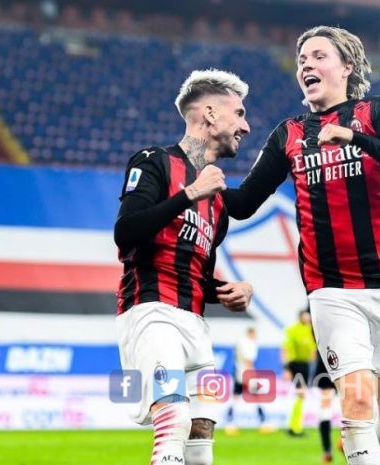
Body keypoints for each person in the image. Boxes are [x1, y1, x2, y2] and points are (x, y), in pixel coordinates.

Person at [223, 25, 380, 465]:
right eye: (301, 60)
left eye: (318, 56)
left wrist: (355, 138)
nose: (306, 65)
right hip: (330, 288)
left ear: (346, 66)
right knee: (356, 398)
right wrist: (199, 183)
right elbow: (243, 204)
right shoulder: (289, 134)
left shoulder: (378, 112)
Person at [114, 68, 254, 465]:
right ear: (209, 113)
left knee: (202, 433)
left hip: (195, 324)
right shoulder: (154, 162)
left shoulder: (219, 202)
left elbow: (198, 275)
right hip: (151, 313)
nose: (245, 126)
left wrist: (229, 290)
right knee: (173, 417)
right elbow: (126, 232)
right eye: (239, 113)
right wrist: (189, 194)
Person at [224, 326, 271, 435]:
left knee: (236, 396)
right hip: (246, 373)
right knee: (256, 396)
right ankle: (263, 421)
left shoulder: (240, 342)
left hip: (238, 372)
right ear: (251, 334)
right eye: (255, 335)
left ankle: (230, 420)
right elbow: (248, 360)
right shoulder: (249, 344)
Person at [282, 309, 317, 437]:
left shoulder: (310, 330)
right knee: (301, 393)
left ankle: (294, 426)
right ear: (300, 317)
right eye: (305, 317)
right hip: (295, 364)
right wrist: (286, 368)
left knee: (301, 395)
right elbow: (287, 349)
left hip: (305, 365)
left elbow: (312, 349)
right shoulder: (292, 330)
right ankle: (295, 427)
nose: (307, 319)